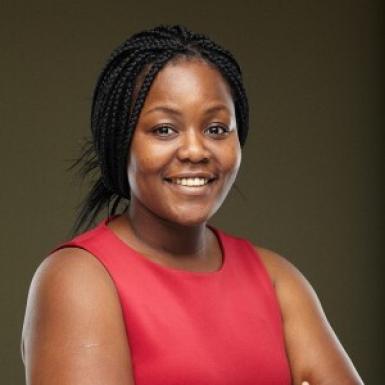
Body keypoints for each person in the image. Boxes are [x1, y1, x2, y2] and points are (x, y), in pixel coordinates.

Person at [21, 25, 363, 385]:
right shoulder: (79, 280)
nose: (196, 151)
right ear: (121, 142)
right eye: (164, 129)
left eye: (216, 129)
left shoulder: (279, 280)